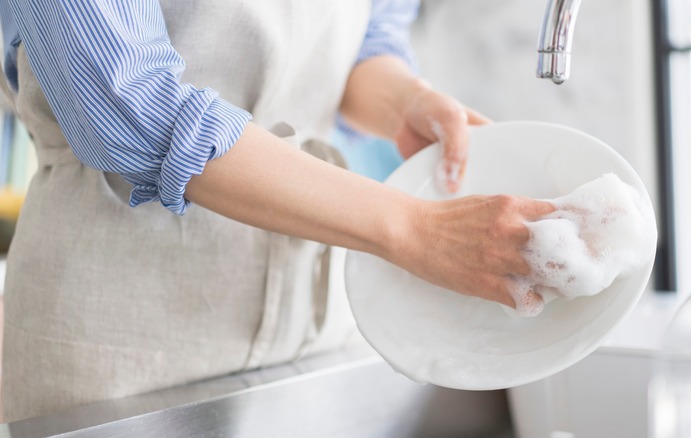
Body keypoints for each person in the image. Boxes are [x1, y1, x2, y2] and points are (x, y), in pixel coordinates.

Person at [0, 0, 553, 422]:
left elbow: (367, 36)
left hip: (314, 322)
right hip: (123, 329)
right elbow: (134, 108)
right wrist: (412, 227)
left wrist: (405, 100)